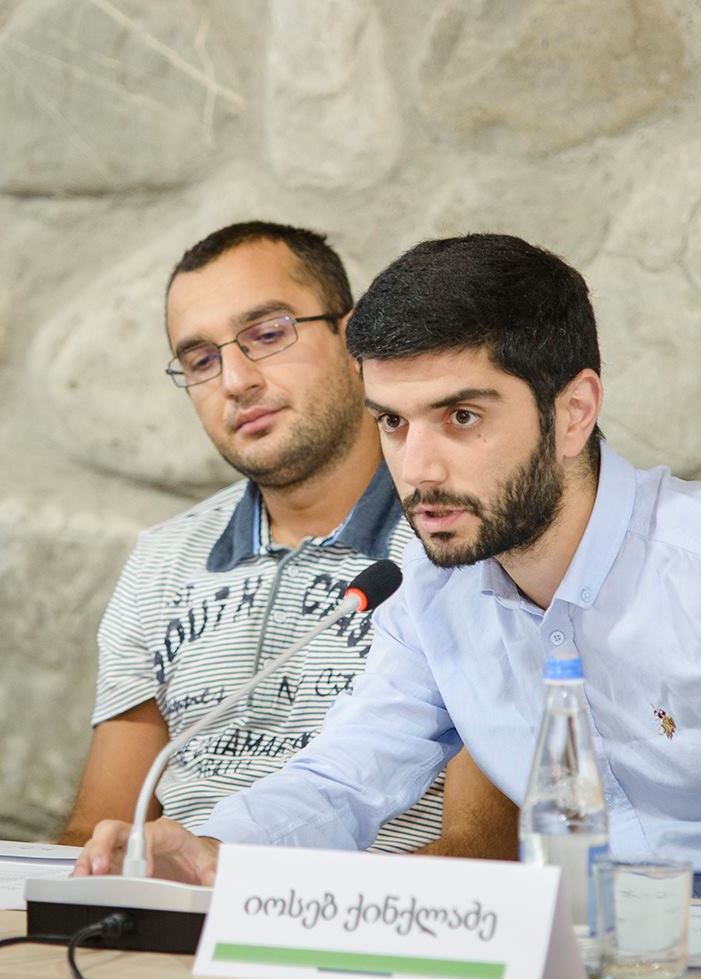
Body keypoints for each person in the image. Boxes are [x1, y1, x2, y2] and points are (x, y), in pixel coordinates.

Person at [75, 233, 701, 908]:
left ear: (573, 411)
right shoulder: (433, 593)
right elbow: (339, 782)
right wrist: (211, 847)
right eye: (393, 423)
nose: (418, 469)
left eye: (461, 416)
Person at [57, 222, 518, 857]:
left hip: (369, 907)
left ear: (354, 342)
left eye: (268, 334)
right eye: (201, 360)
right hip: (178, 899)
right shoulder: (163, 559)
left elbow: (478, 849)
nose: (235, 380)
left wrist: (279, 902)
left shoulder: (459, 536)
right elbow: (100, 827)